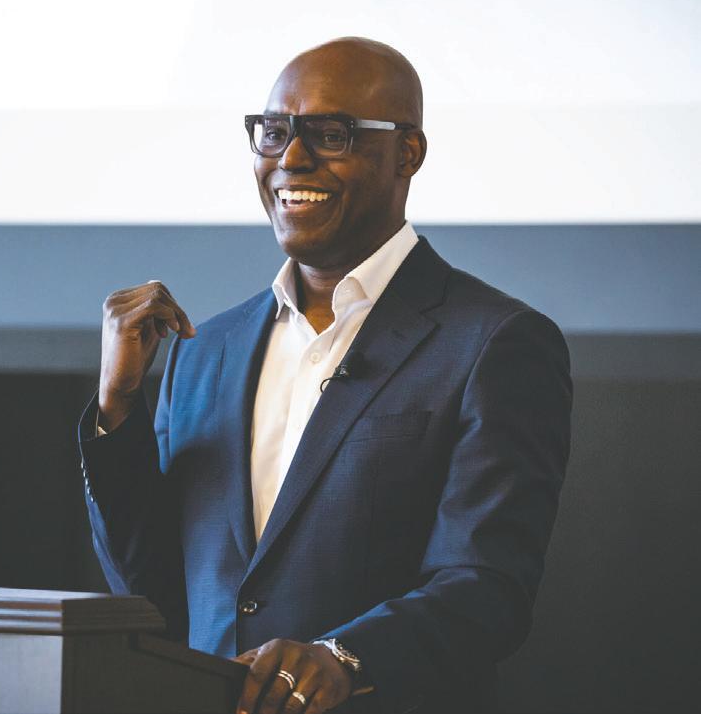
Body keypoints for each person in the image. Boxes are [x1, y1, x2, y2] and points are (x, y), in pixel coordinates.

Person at [78, 37, 572, 714]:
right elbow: (152, 589)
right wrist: (118, 407)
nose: (290, 158)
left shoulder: (494, 342)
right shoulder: (204, 349)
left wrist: (343, 658)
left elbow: (488, 586)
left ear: (407, 153)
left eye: (329, 134)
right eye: (273, 132)